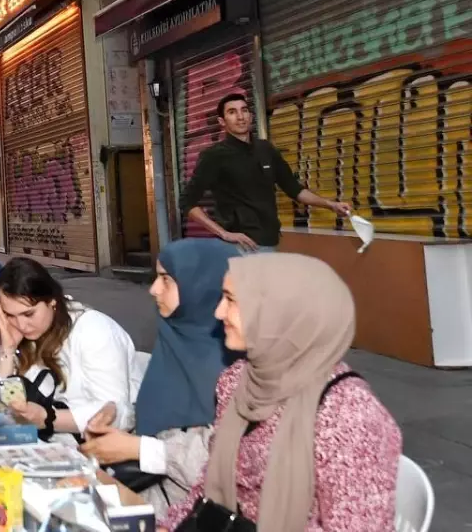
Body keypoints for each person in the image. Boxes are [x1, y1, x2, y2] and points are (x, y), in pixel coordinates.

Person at [161, 253, 402, 532]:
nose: (218, 313)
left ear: (282, 314)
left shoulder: (349, 415)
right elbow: (212, 485)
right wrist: (170, 526)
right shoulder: (238, 382)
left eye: (231, 300)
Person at [79, 238, 234, 515]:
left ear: (200, 285)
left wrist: (139, 449)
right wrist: (117, 422)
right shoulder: (174, 338)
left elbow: (238, 461)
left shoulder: (240, 364)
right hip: (146, 498)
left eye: (166, 279)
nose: (153, 289)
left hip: (198, 515)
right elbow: (164, 415)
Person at [0, 257, 142, 441]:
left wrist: (48, 418)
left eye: (29, 314)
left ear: (51, 301)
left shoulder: (93, 330)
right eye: (10, 315)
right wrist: (7, 350)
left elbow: (116, 413)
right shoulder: (18, 336)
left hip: (93, 451)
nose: (21, 324)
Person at [182, 93, 351, 252]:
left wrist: (331, 204)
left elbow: (294, 189)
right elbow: (187, 202)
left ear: (250, 116)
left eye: (244, 110)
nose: (240, 117)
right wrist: (223, 233)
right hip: (238, 247)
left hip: (270, 243)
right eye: (232, 112)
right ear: (222, 121)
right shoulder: (214, 155)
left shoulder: (266, 149)